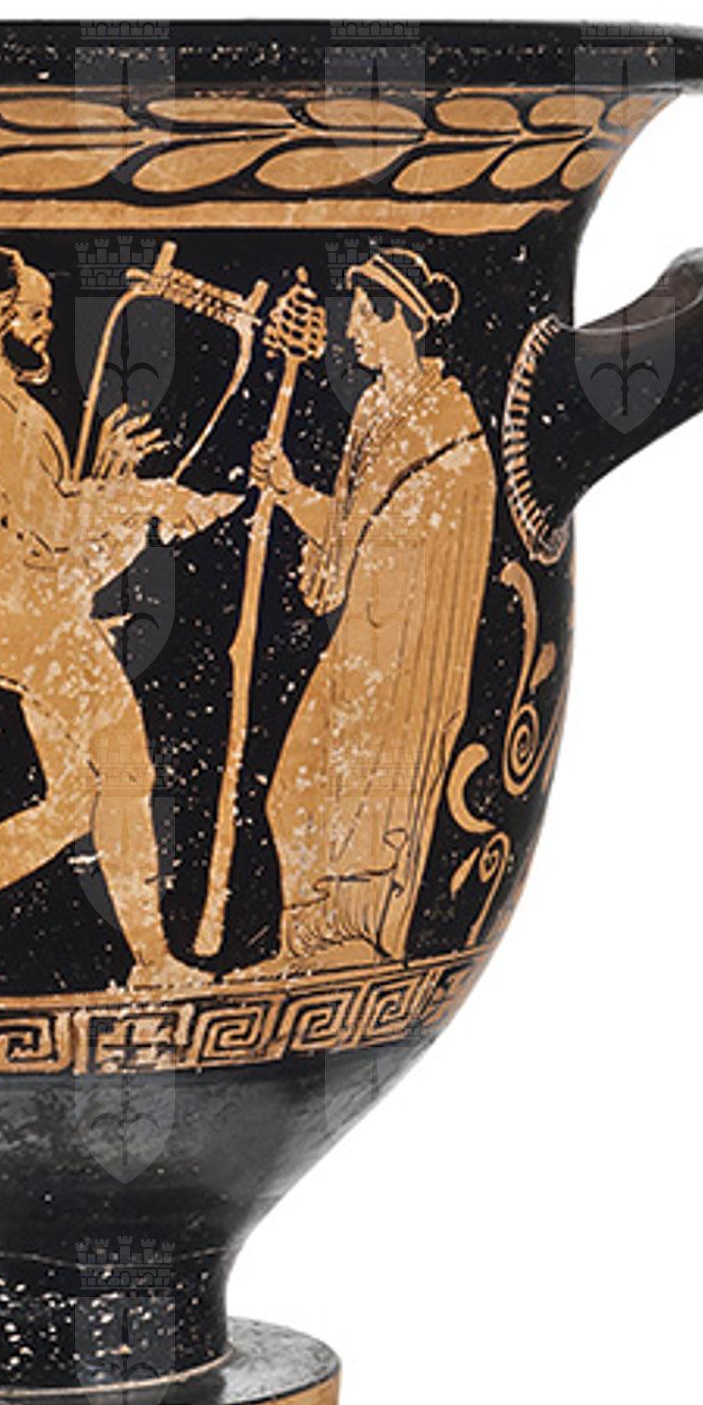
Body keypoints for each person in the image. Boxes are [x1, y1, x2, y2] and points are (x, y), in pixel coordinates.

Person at [0, 245, 239, 992]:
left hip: (34, 611)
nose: (47, 328)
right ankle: (153, 963)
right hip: (36, 622)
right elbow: (42, 522)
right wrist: (150, 498)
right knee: (128, 768)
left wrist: (108, 479)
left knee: (72, 804)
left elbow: (44, 513)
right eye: (36, 314)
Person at [247, 248, 495, 973]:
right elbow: (352, 529)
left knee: (367, 802)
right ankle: (304, 948)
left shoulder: (449, 426)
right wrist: (290, 489)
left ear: (401, 321)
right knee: (293, 795)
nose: (348, 329)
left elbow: (432, 552)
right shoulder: (375, 409)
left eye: (362, 315)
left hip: (408, 654)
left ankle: (350, 946)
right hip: (361, 640)